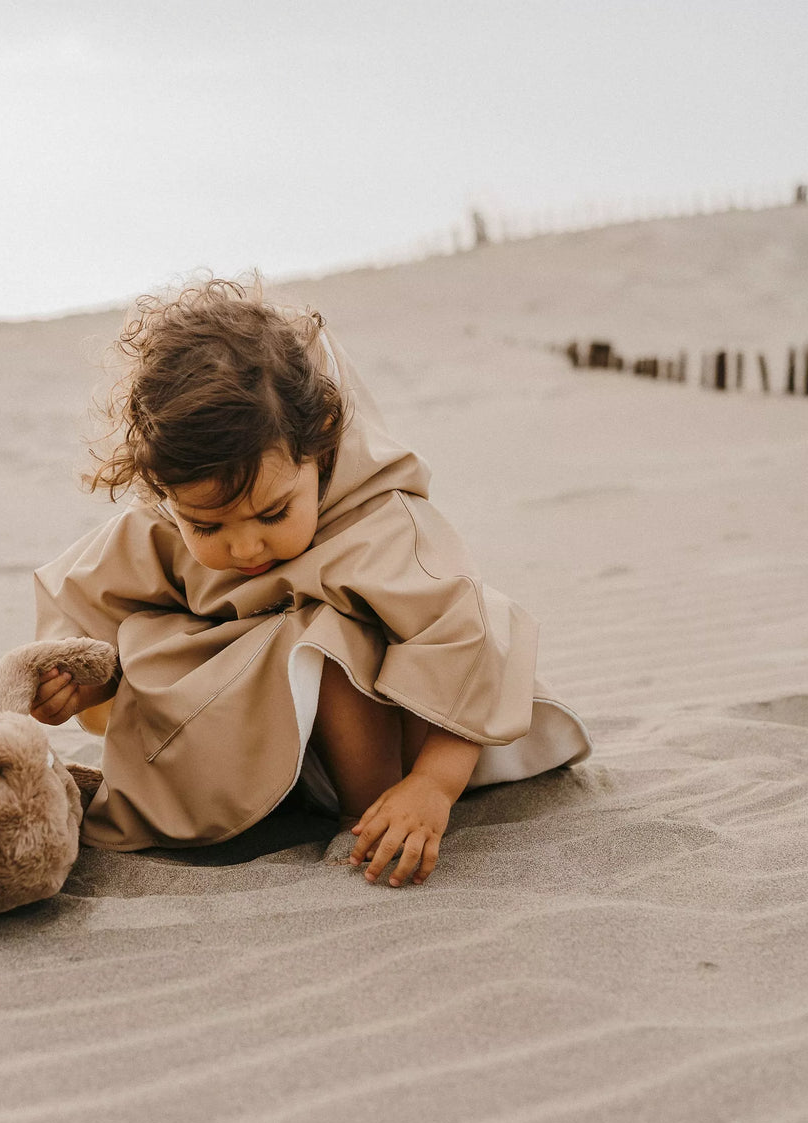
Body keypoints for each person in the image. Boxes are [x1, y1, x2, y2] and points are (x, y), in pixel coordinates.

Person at [32, 277, 590, 886]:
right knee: (158, 637)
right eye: (207, 525)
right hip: (264, 746)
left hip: (407, 746)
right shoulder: (163, 523)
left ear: (321, 441)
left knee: (326, 634)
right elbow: (82, 601)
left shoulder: (382, 526)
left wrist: (432, 786)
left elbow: (468, 650)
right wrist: (77, 684)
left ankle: (368, 820)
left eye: (273, 513)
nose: (245, 547)